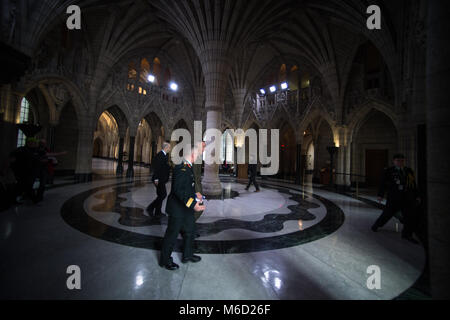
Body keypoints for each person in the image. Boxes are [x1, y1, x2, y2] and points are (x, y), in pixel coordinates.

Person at [159, 144, 206, 270]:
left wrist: (196, 194)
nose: (198, 158)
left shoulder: (187, 167)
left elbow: (186, 187)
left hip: (186, 208)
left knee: (190, 231)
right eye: (197, 155)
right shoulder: (182, 168)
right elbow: (178, 190)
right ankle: (165, 260)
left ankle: (187, 255)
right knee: (172, 235)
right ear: (191, 155)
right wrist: (193, 204)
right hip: (177, 209)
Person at [371, 153, 421, 244]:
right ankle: (376, 225)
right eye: (398, 161)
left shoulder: (408, 171)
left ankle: (406, 234)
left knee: (409, 216)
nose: (400, 162)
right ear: (394, 161)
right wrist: (380, 195)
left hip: (407, 198)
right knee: (387, 214)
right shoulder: (389, 171)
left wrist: (416, 195)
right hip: (394, 197)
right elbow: (383, 183)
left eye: (402, 161)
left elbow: (413, 184)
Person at [147, 142, 171, 217]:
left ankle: (158, 211)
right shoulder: (160, 155)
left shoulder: (164, 155)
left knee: (161, 195)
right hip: (159, 179)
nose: (170, 149)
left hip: (161, 179)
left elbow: (163, 167)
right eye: (169, 147)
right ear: (166, 147)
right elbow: (156, 167)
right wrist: (156, 179)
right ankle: (150, 207)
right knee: (163, 195)